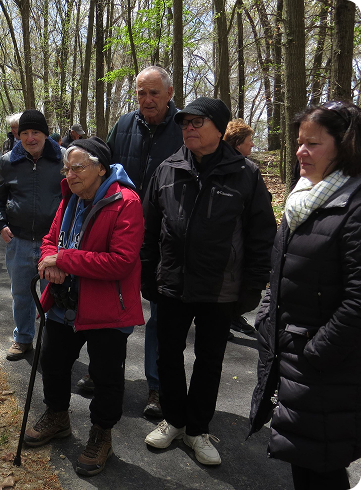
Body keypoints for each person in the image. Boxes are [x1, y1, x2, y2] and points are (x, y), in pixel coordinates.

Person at [141, 97, 276, 465]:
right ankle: (173, 419)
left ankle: (197, 430)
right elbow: (149, 229)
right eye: (185, 122)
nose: (188, 127)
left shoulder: (245, 173)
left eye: (197, 122)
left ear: (219, 128)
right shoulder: (168, 169)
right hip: (171, 284)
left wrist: (252, 287)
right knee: (168, 355)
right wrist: (147, 274)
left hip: (220, 289)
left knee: (209, 360)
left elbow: (262, 235)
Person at [249, 100, 361, 490]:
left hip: (326, 368)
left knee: (323, 465)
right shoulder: (304, 198)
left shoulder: (354, 206)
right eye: (299, 142)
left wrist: (315, 353)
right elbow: (278, 271)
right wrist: (266, 315)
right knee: (304, 460)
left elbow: (358, 301)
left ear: (344, 146)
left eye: (312, 144)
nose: (300, 151)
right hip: (293, 358)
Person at [24, 137, 144, 476]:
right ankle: (58, 417)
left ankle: (101, 434)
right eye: (67, 168)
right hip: (65, 303)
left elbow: (120, 262)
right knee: (53, 362)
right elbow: (51, 239)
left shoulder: (126, 201)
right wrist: (50, 260)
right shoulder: (72, 197)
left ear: (101, 168)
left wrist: (64, 259)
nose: (70, 174)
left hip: (107, 308)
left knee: (106, 376)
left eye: (78, 168)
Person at [104, 65, 183, 419]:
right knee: (112, 306)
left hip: (164, 237)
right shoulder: (123, 125)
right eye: (141, 93)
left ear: (169, 93)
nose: (147, 100)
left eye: (154, 93)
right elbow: (105, 171)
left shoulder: (186, 128)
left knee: (160, 316)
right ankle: (105, 372)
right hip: (120, 232)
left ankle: (156, 386)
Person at [0, 110, 63, 360]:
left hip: (53, 244)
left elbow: (76, 200)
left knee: (56, 296)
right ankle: (23, 339)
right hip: (19, 241)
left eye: (36, 132)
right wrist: (1, 225)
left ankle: (55, 344)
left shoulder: (62, 159)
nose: (30, 138)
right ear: (17, 135)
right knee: (21, 294)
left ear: (45, 133)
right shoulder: (9, 161)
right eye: (24, 133)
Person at [223, 119, 258, 336]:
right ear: (237, 144)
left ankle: (232, 318)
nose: (253, 145)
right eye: (249, 141)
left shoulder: (249, 170)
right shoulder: (235, 170)